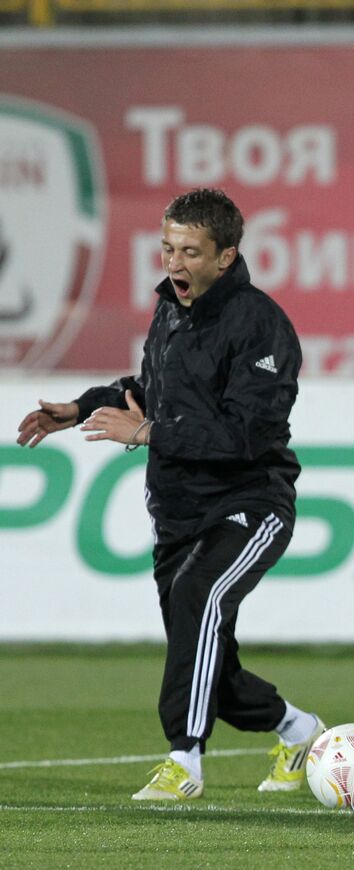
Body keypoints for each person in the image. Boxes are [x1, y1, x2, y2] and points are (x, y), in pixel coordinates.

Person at [15, 188, 324, 801]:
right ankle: (300, 731)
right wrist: (79, 408)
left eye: (189, 252)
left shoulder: (261, 325)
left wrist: (151, 433)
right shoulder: (171, 310)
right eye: (167, 248)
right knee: (205, 656)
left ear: (226, 256)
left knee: (196, 597)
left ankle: (184, 761)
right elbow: (150, 390)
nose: (173, 263)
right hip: (179, 511)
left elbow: (247, 433)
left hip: (250, 503)